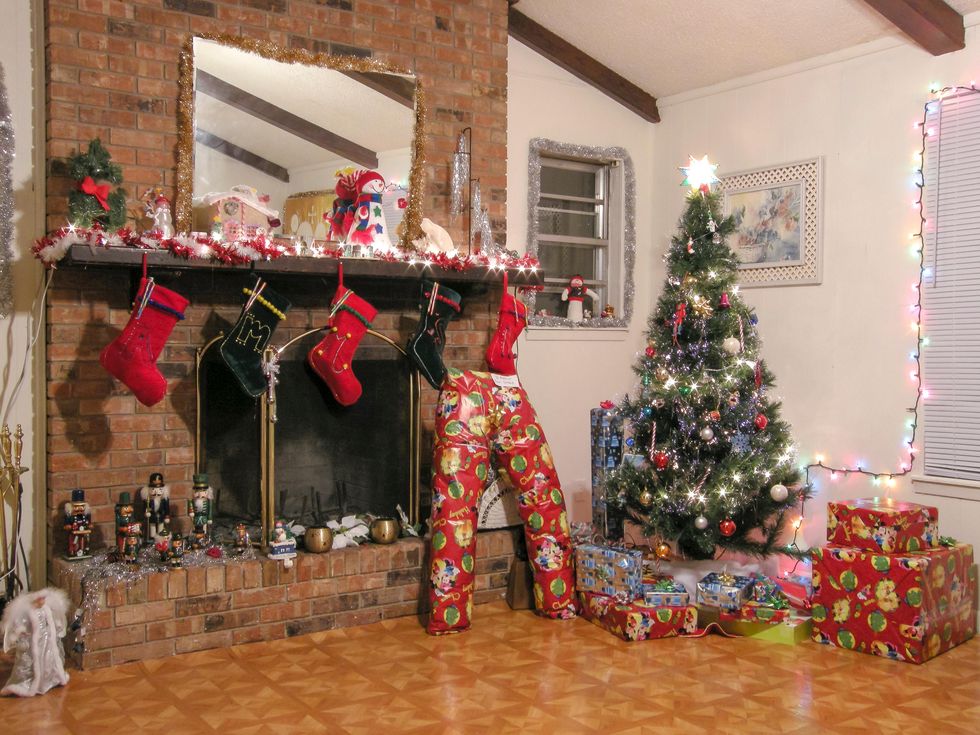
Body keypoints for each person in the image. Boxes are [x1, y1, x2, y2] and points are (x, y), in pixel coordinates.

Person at [1, 588, 70, 697]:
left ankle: (49, 679)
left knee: (48, 660)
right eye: (40, 599)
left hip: (47, 641)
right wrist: (20, 632)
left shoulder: (47, 609)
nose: (42, 601)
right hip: (34, 642)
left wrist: (56, 627)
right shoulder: (29, 611)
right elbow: (21, 624)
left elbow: (52, 621)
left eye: (43, 599)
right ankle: (32, 681)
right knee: (33, 661)